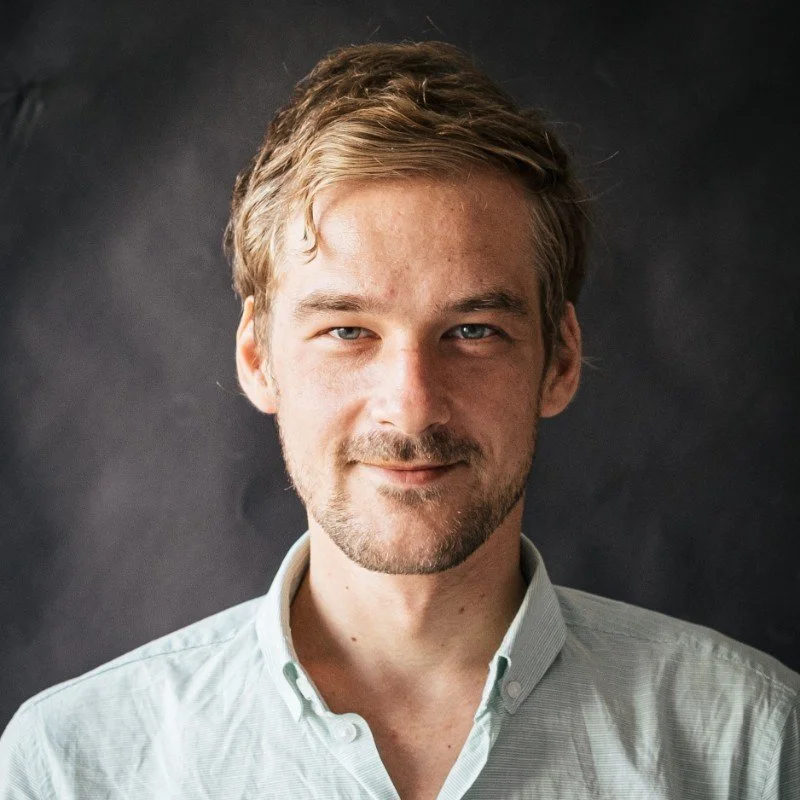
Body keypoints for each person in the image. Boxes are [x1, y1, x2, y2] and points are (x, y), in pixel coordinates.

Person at [0, 40, 797, 800]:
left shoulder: (752, 748)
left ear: (559, 358)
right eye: (348, 331)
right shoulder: (74, 767)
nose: (411, 404)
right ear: (257, 358)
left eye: (473, 332)